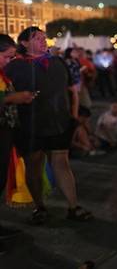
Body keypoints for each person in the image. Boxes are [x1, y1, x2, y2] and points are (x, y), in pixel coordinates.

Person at [5, 27, 92, 223]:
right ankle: (40, 206)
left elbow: (72, 90)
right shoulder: (13, 67)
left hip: (59, 122)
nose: (44, 41)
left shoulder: (57, 62)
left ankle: (73, 206)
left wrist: (74, 115)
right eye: (37, 38)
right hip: (29, 126)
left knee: (62, 163)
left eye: (44, 37)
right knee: (34, 165)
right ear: (24, 43)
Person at [0, 34, 35, 252]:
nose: (8, 61)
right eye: (5, 56)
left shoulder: (2, 74)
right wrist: (14, 98)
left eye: (11, 57)